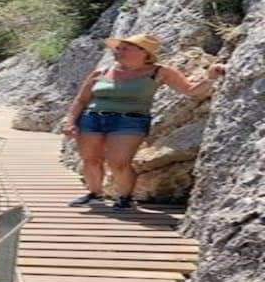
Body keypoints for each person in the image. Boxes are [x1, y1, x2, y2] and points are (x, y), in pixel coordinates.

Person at [63, 33, 227, 211]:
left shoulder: (159, 72)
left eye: (124, 48)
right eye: (117, 48)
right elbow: (81, 100)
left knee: (119, 162)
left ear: (144, 52)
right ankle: (95, 194)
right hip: (91, 118)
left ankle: (124, 198)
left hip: (129, 121)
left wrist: (211, 77)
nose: (118, 52)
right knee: (90, 159)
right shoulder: (102, 72)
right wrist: (70, 122)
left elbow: (190, 90)